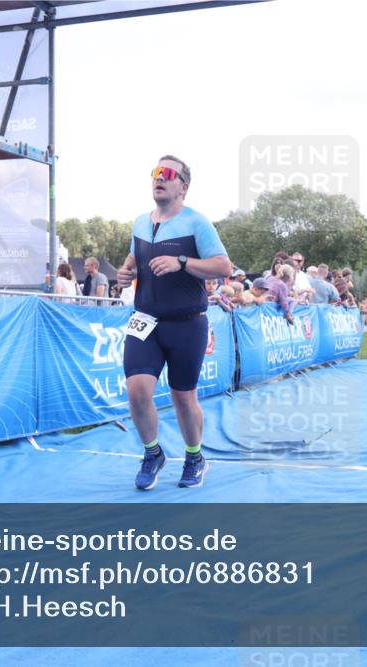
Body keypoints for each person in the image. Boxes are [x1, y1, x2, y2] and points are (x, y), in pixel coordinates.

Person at [117, 155, 231, 490]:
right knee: (137, 391)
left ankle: (195, 456)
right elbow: (134, 259)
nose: (159, 178)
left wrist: (182, 261)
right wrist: (127, 272)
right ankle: (153, 453)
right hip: (145, 321)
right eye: (155, 172)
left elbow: (224, 267)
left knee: (183, 397)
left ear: (183, 186)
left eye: (168, 173)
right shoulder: (140, 222)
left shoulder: (197, 223)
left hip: (187, 323)